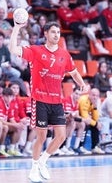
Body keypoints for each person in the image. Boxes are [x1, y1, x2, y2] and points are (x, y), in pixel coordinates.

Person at [9, 21, 87, 182]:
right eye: (53, 32)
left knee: (61, 136)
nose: (56, 35)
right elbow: (13, 49)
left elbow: (73, 72)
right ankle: (33, 167)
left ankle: (42, 162)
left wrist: (82, 83)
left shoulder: (64, 54)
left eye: (58, 32)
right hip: (40, 100)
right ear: (45, 33)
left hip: (56, 102)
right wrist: (16, 27)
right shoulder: (35, 50)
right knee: (42, 136)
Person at [77, 87, 105, 154]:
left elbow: (95, 119)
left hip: (83, 118)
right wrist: (96, 123)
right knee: (86, 124)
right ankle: (80, 146)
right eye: (93, 95)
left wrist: (95, 107)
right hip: (77, 119)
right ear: (89, 94)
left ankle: (94, 147)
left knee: (95, 126)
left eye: (97, 96)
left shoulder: (94, 102)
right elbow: (85, 117)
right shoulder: (84, 100)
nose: (95, 97)